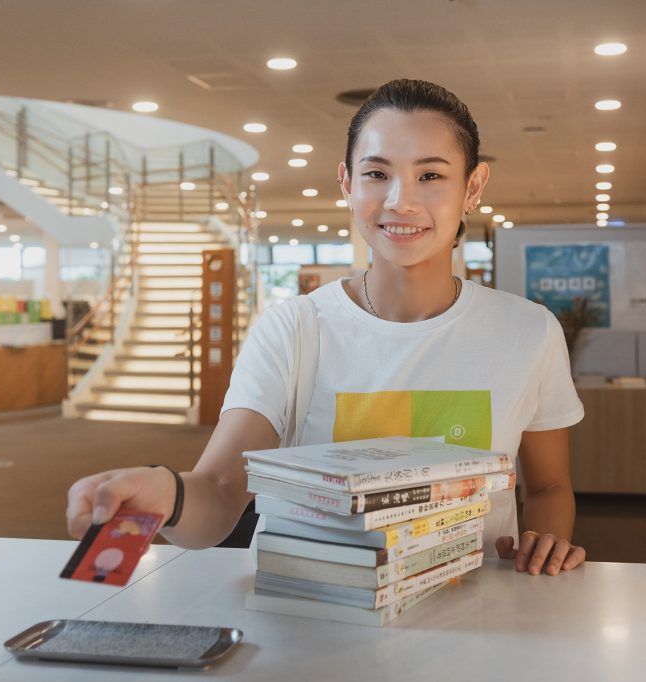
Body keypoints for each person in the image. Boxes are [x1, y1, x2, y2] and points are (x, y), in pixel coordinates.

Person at [67, 79, 587, 576]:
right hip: (313, 622)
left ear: (472, 187)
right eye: (377, 173)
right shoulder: (294, 328)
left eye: (431, 175)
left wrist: (544, 546)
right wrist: (169, 496)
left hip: (471, 622)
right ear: (346, 182)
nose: (399, 201)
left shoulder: (527, 331)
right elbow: (222, 491)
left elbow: (548, 489)